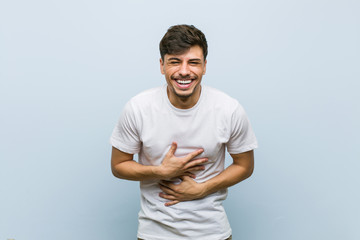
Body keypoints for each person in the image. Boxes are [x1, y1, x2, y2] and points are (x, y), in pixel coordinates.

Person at [110, 24, 258, 240]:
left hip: (213, 233)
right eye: (175, 62)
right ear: (162, 65)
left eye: (194, 62)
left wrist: (203, 188)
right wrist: (160, 172)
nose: (184, 71)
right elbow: (118, 165)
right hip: (154, 233)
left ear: (205, 66)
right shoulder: (138, 108)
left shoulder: (228, 109)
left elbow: (245, 165)